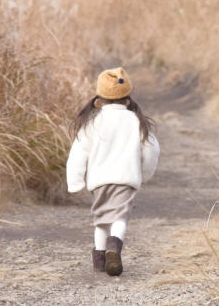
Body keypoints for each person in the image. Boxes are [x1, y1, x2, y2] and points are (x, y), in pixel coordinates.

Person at [66, 67, 160, 276]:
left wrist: (75, 181)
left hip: (99, 180)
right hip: (125, 178)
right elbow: (151, 150)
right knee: (120, 217)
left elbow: (78, 152)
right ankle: (114, 246)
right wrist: (144, 174)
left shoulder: (92, 121)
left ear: (100, 98)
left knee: (101, 219)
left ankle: (100, 260)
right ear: (127, 98)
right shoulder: (136, 121)